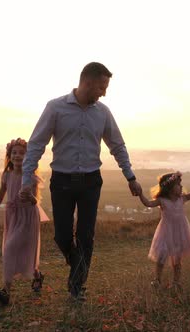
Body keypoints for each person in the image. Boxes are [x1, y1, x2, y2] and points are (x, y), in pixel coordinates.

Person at [19, 62, 142, 302]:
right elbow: (36, 145)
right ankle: (78, 267)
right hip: (62, 181)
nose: (104, 92)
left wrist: (131, 177)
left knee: (86, 235)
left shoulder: (103, 112)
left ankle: (76, 286)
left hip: (90, 182)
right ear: (87, 82)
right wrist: (26, 180)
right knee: (62, 236)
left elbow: (117, 145)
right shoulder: (55, 108)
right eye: (102, 86)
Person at [0, 138, 49, 305]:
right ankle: (35, 276)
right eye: (14, 153)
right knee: (19, 251)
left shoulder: (31, 178)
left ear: (28, 157)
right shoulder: (7, 175)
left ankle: (6, 290)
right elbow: (0, 196)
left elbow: (35, 201)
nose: (17, 156)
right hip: (12, 217)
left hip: (28, 217)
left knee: (11, 249)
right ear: (9, 155)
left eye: (22, 153)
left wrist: (30, 197)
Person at [138, 171, 190, 290]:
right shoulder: (162, 200)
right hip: (165, 232)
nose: (181, 187)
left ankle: (176, 283)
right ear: (170, 188)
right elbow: (148, 203)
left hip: (180, 231)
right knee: (161, 257)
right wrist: (140, 194)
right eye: (178, 185)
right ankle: (157, 280)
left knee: (177, 260)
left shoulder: (182, 199)